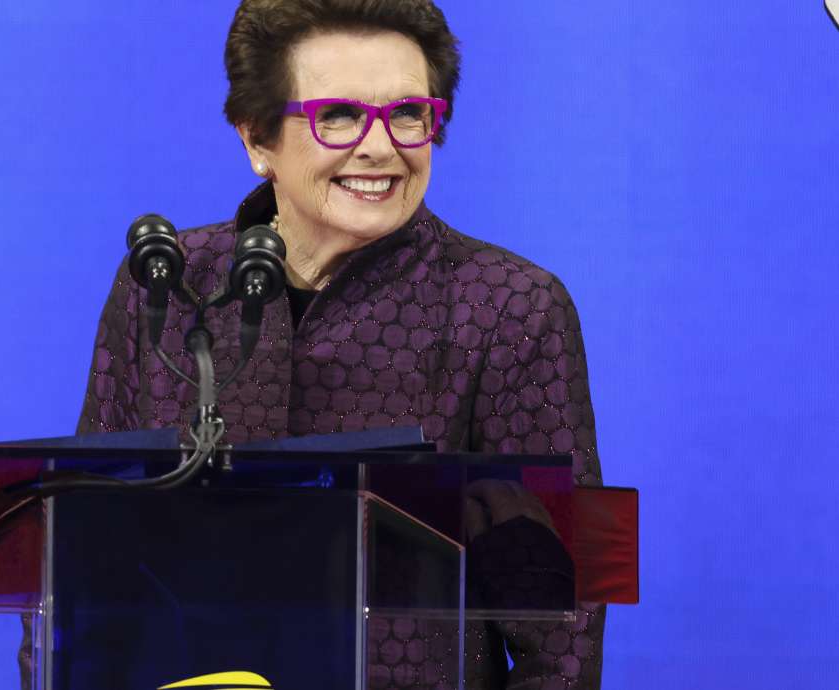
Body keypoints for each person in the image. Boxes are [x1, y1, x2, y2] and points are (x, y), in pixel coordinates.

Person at [77, 0, 605, 687]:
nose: (381, 146)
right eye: (340, 115)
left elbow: (559, 623)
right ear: (257, 138)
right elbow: (82, 548)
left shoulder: (507, 307)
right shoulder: (169, 282)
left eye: (408, 113)